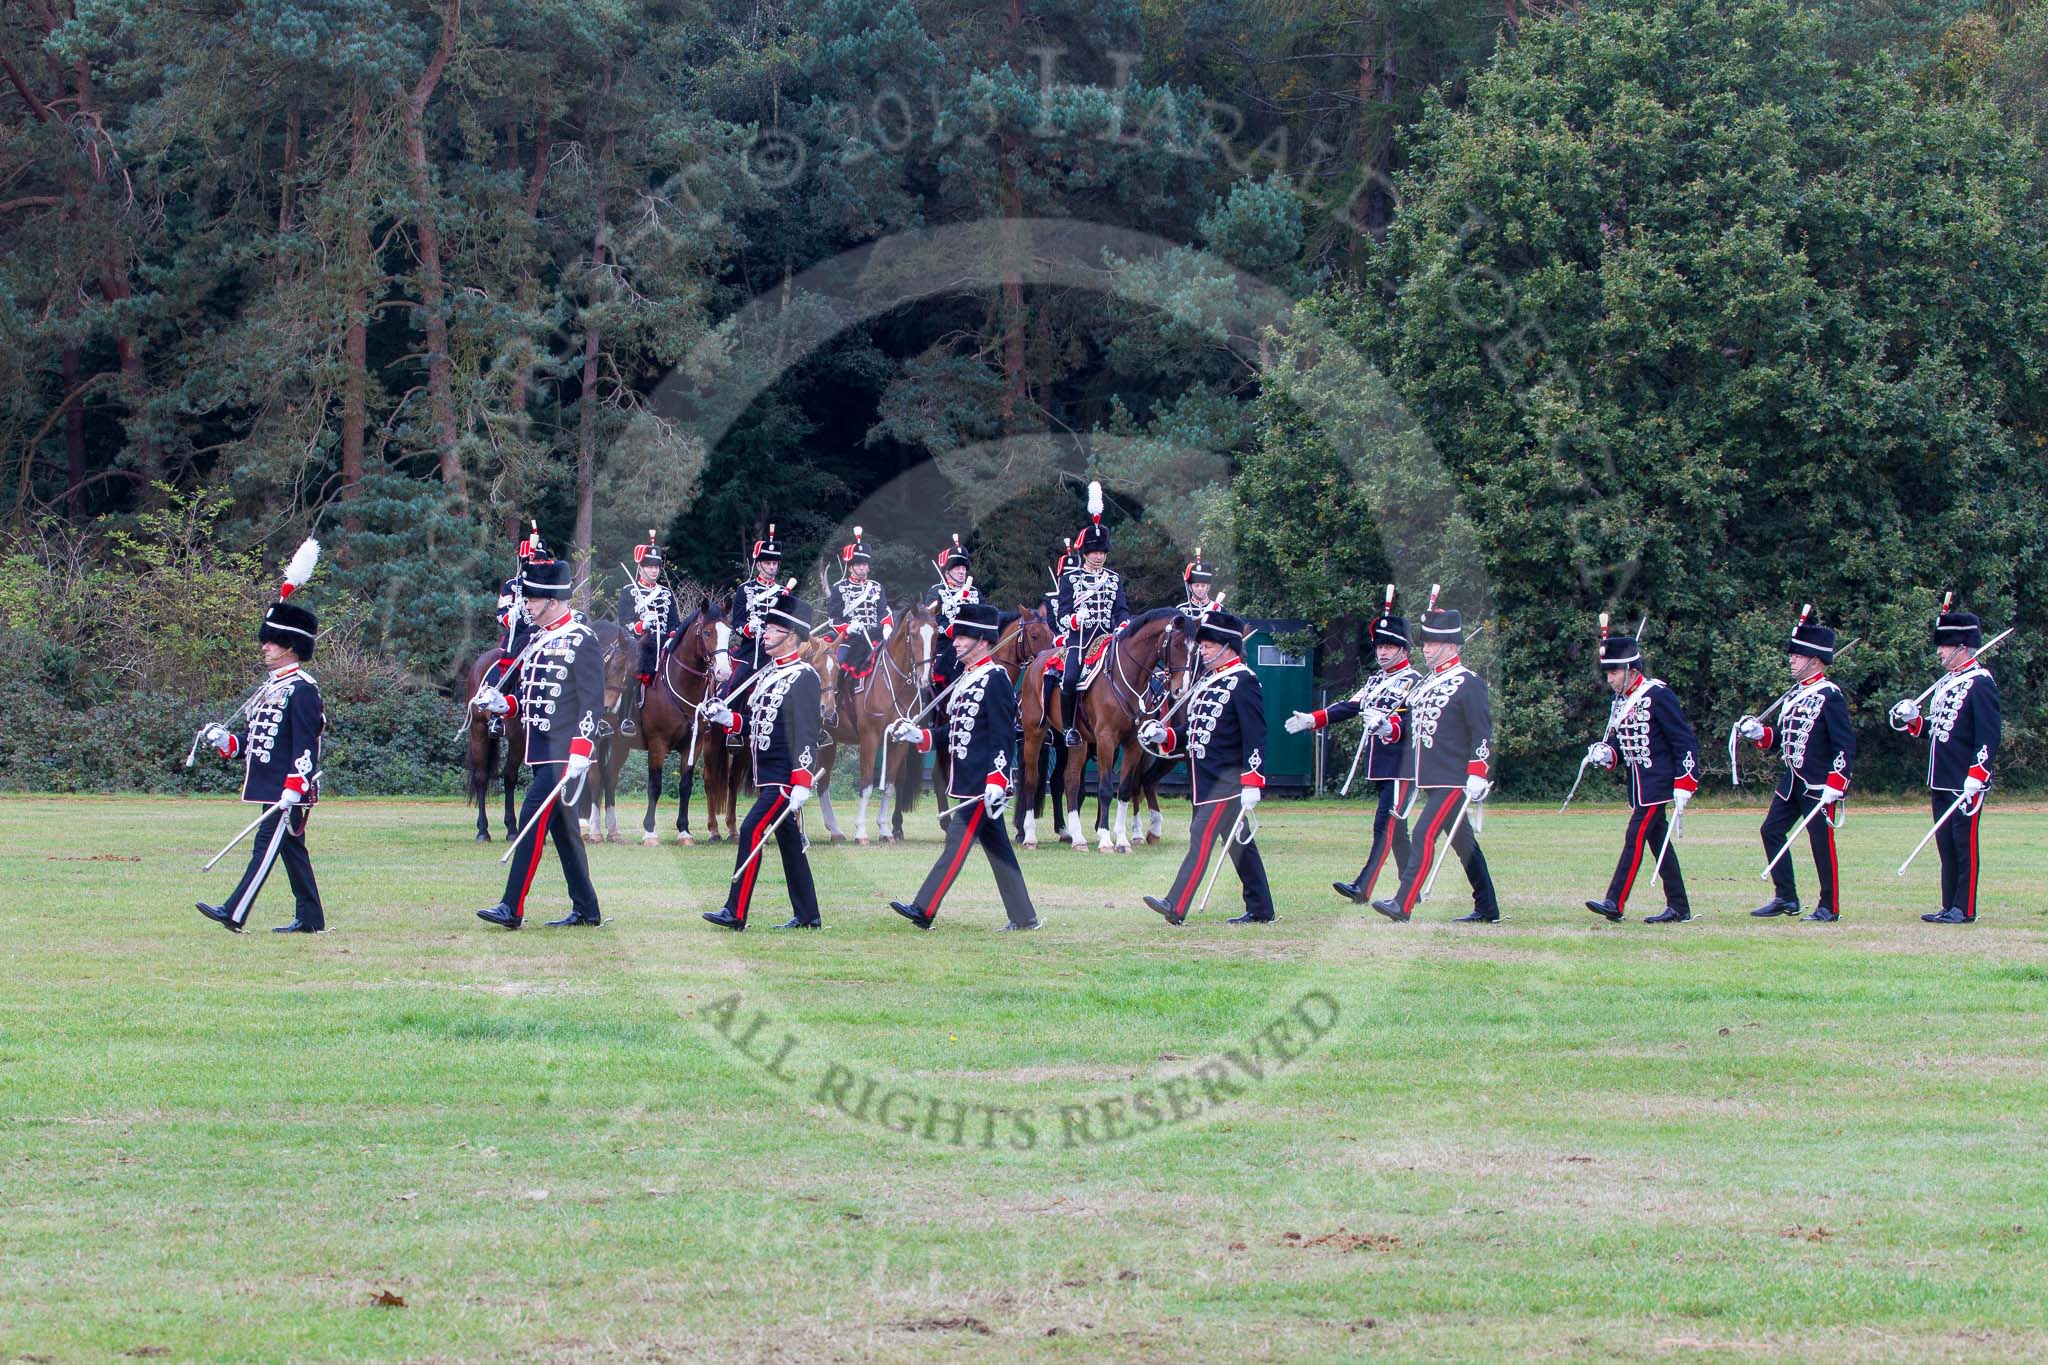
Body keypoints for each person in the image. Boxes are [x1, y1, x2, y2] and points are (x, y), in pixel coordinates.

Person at [197, 539, 327, 935]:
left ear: (291, 647)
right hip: (269, 785)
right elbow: (256, 744)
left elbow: (306, 743)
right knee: (292, 852)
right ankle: (311, 918)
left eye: (272, 642)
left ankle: (234, 912)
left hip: (287, 789)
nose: (265, 648)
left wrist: (295, 786)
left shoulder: (303, 689)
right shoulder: (270, 688)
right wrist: (226, 742)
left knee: (265, 848)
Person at [887, 602, 1040, 931]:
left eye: (963, 637)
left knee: (955, 846)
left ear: (982, 641)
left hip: (983, 785)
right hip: (968, 782)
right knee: (1000, 853)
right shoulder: (966, 679)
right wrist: (921, 735)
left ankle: (924, 909)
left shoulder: (995, 678)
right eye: (955, 636)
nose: (954, 642)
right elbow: (953, 731)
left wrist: (997, 780)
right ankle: (1025, 917)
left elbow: (1002, 736)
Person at [471, 553, 604, 929]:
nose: (525, 605)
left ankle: (511, 907)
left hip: (565, 752)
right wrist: (504, 704)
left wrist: (582, 749)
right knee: (565, 834)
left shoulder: (581, 639)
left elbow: (592, 701)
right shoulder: (534, 641)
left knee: (530, 820)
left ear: (552, 601)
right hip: (541, 750)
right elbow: (532, 699)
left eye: (530, 599)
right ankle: (587, 909)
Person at [1138, 609, 1274, 925]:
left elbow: (1256, 734)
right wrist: (1166, 734)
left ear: (1228, 646)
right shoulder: (1209, 682)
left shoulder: (1244, 681)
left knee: (1200, 836)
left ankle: (1176, 903)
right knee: (1241, 845)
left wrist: (1253, 781)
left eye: (1209, 645)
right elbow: (1195, 730)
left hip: (1228, 779)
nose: (1203, 650)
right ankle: (1262, 908)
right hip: (1204, 779)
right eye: (1202, 645)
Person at [1285, 587, 1417, 907]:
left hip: (1404, 765)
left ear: (1403, 650)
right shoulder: (1375, 682)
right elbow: (1348, 707)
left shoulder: (1415, 681)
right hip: (1383, 765)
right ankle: (1412, 885)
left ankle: (1363, 886)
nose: (1383, 653)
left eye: (1390, 646)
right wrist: (1313, 720)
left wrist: (1389, 726)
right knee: (1397, 832)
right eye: (1380, 646)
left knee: (1384, 826)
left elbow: (1415, 725)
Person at [701, 588, 823, 931]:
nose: (764, 634)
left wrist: (802, 779)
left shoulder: (804, 676)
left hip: (784, 777)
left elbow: (806, 732)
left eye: (772, 629)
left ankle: (735, 911)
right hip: (766, 774)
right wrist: (729, 719)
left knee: (751, 828)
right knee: (789, 843)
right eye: (766, 628)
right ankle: (808, 914)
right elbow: (757, 725)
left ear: (792, 636)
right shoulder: (769, 674)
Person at [1371, 595, 1499, 924]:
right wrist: (1388, 725)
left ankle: (1404, 902)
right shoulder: (1428, 682)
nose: (1426, 649)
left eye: (1433, 643)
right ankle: (1487, 907)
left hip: (1453, 778)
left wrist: (1477, 772)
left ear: (1451, 646)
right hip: (1429, 776)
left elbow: (1481, 730)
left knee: (1423, 833)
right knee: (1465, 845)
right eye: (1425, 643)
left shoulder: (1468, 682)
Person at [1738, 605, 1855, 923]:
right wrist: (1760, 733)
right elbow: (1785, 739)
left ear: (1814, 660)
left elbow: (1844, 743)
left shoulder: (1830, 695)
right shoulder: (1794, 695)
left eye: (1797, 655)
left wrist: (1837, 780)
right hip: (1792, 781)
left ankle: (1829, 907)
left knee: (1821, 844)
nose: (1791, 659)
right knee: (1771, 831)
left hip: (1819, 783)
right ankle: (1786, 897)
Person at [1579, 623, 1699, 924]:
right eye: (1608, 674)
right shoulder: (1620, 702)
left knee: (1635, 836)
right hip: (1639, 785)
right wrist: (1607, 754)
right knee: (1659, 843)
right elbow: (1622, 747)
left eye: (1614, 673)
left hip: (1659, 783)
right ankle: (1679, 906)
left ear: (1631, 670)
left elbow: (1683, 739)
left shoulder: (1657, 694)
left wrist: (1686, 780)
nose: (1610, 679)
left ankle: (1615, 901)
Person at [1890, 597, 2000, 924]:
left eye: (1945, 646)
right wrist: (1913, 721)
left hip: (1966, 779)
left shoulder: (1980, 682)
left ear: (1961, 647)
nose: (1939, 652)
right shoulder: (1947, 684)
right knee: (1946, 845)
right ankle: (1948, 904)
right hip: (1940, 778)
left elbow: (1988, 735)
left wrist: (1978, 773)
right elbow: (1939, 731)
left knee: (1963, 845)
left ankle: (1964, 908)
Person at [1054, 481, 1130, 747]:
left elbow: (1121, 609)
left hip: (1107, 638)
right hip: (1080, 638)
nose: (1098, 557)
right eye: (1094, 552)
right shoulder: (1070, 579)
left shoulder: (1113, 579)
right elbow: (1061, 614)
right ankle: (1068, 728)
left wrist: (1122, 625)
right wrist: (1075, 620)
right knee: (1071, 676)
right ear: (1085, 553)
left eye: (1102, 552)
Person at [483, 522, 546, 734]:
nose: (537, 564)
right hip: (519, 637)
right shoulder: (512, 586)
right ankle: (496, 716)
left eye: (540, 561)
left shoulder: (550, 587)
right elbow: (501, 616)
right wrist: (514, 614)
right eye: (533, 560)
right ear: (525, 560)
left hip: (546, 635)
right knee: (510, 665)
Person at [616, 530, 679, 732]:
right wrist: (641, 625)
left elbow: (674, 622)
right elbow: (623, 621)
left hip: (664, 644)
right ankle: (628, 717)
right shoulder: (629, 591)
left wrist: (672, 637)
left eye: (656, 567)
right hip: (638, 643)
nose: (654, 571)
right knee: (635, 669)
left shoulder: (666, 593)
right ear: (640, 568)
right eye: (649, 566)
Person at [718, 524, 786, 711]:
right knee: (734, 685)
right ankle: (727, 723)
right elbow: (737, 623)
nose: (772, 568)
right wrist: (750, 628)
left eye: (774, 564)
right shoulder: (744, 590)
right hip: (751, 651)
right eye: (768, 564)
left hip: (778, 651)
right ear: (758, 565)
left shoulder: (783, 593)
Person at [826, 526, 892, 694]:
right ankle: (835, 702)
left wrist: (887, 626)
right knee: (838, 665)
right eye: (858, 564)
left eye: (865, 564)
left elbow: (884, 611)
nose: (862, 568)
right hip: (850, 639)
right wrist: (847, 628)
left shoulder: (876, 587)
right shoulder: (839, 588)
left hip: (875, 637)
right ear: (850, 567)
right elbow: (833, 619)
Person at [922, 534, 981, 697]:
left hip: (976, 647)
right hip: (947, 646)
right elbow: (932, 620)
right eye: (958, 568)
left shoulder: (976, 593)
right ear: (947, 571)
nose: (962, 571)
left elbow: (984, 617)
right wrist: (952, 631)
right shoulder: (936, 592)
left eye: (964, 568)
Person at [1176, 550, 1217, 618]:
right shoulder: (1180, 610)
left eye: (1203, 585)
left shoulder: (1219, 609)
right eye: (1196, 585)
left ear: (1208, 587)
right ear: (1190, 588)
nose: (1200, 588)